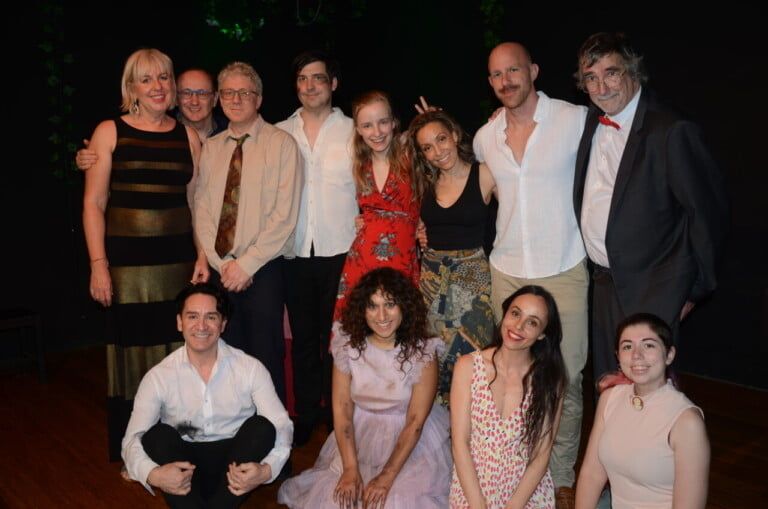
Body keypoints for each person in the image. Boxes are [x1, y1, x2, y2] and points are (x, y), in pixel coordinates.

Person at [572, 32, 728, 385]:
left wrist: (692, 290)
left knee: (650, 399)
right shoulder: (589, 124)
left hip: (654, 288)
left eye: (611, 73)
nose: (601, 87)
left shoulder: (671, 130)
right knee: (609, 391)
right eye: (590, 79)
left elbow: (707, 215)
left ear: (632, 71)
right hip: (604, 286)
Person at [472, 42, 589, 505]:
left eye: (514, 70)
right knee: (512, 377)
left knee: (568, 379)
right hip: (508, 272)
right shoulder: (485, 137)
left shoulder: (575, 120)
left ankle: (561, 475)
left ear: (534, 70)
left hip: (565, 267)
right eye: (497, 74)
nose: (507, 81)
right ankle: (518, 469)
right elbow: (467, 191)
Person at [82, 48, 208, 461]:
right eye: (147, 79)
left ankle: (179, 444)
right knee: (133, 357)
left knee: (177, 354)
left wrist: (202, 258)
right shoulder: (109, 132)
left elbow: (197, 208)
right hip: (127, 270)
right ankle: (133, 451)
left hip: (176, 268)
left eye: (164, 78)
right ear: (131, 87)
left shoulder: (187, 136)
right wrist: (98, 266)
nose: (158, 87)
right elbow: (94, 204)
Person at [277, 267, 452, 508]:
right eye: (372, 306)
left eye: (390, 304)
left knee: (394, 500)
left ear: (405, 306)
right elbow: (342, 411)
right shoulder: (347, 346)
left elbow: (415, 422)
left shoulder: (423, 351)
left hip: (409, 440)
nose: (381, 315)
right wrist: (350, 468)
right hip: (359, 435)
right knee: (340, 498)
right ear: (363, 309)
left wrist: (387, 477)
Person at [122, 282, 293, 508]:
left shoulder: (250, 368)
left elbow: (282, 424)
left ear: (223, 324)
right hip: (185, 466)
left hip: (234, 462)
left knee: (262, 427)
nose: (201, 325)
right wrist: (154, 475)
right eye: (192, 316)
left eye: (211, 317)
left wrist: (266, 470)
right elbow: (131, 440)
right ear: (179, 322)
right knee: (157, 436)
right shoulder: (158, 377)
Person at [194, 61, 302, 402]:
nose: (235, 99)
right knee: (224, 358)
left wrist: (247, 264)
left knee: (265, 360)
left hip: (264, 270)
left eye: (245, 92)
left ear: (259, 99)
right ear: (219, 99)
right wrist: (221, 262)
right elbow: (203, 209)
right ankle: (233, 440)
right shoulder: (211, 147)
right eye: (228, 92)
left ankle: (272, 447)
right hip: (221, 270)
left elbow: (285, 216)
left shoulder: (281, 145)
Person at [276, 51, 357, 445]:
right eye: (303, 79)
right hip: (292, 252)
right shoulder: (278, 133)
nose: (310, 86)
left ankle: (337, 412)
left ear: (333, 84)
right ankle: (307, 411)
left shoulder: (357, 130)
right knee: (305, 338)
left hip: (342, 251)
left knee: (337, 339)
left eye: (318, 78)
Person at [407, 109, 496, 407]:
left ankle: (469, 443)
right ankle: (440, 448)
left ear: (456, 136)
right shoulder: (425, 184)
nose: (437, 151)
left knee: (470, 366)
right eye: (427, 147)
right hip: (432, 285)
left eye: (442, 139)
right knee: (433, 364)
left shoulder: (484, 173)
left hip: (473, 285)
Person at [575, 313, 710, 508]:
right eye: (627, 346)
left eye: (648, 345)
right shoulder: (609, 399)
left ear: (669, 355)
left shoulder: (686, 422)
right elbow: (592, 473)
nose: (636, 355)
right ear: (618, 356)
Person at [449, 285, 567, 508]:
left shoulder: (550, 379)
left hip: (524, 492)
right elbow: (460, 443)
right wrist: (477, 504)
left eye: (532, 322)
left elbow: (541, 455)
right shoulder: (467, 366)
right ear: (504, 314)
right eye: (515, 313)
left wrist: (514, 505)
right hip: (472, 486)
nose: (518, 326)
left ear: (542, 334)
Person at [333, 91, 425, 319]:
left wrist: (433, 121)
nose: (376, 132)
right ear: (357, 129)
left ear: (394, 122)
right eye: (367, 125)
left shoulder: (410, 153)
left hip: (402, 259)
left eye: (383, 122)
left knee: (402, 331)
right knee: (359, 331)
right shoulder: (359, 164)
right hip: (362, 261)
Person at [76, 67, 227, 170]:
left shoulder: (233, 134)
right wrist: (95, 159)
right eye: (186, 93)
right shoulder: (156, 131)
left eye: (202, 93)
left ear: (214, 99)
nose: (194, 101)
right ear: (175, 98)